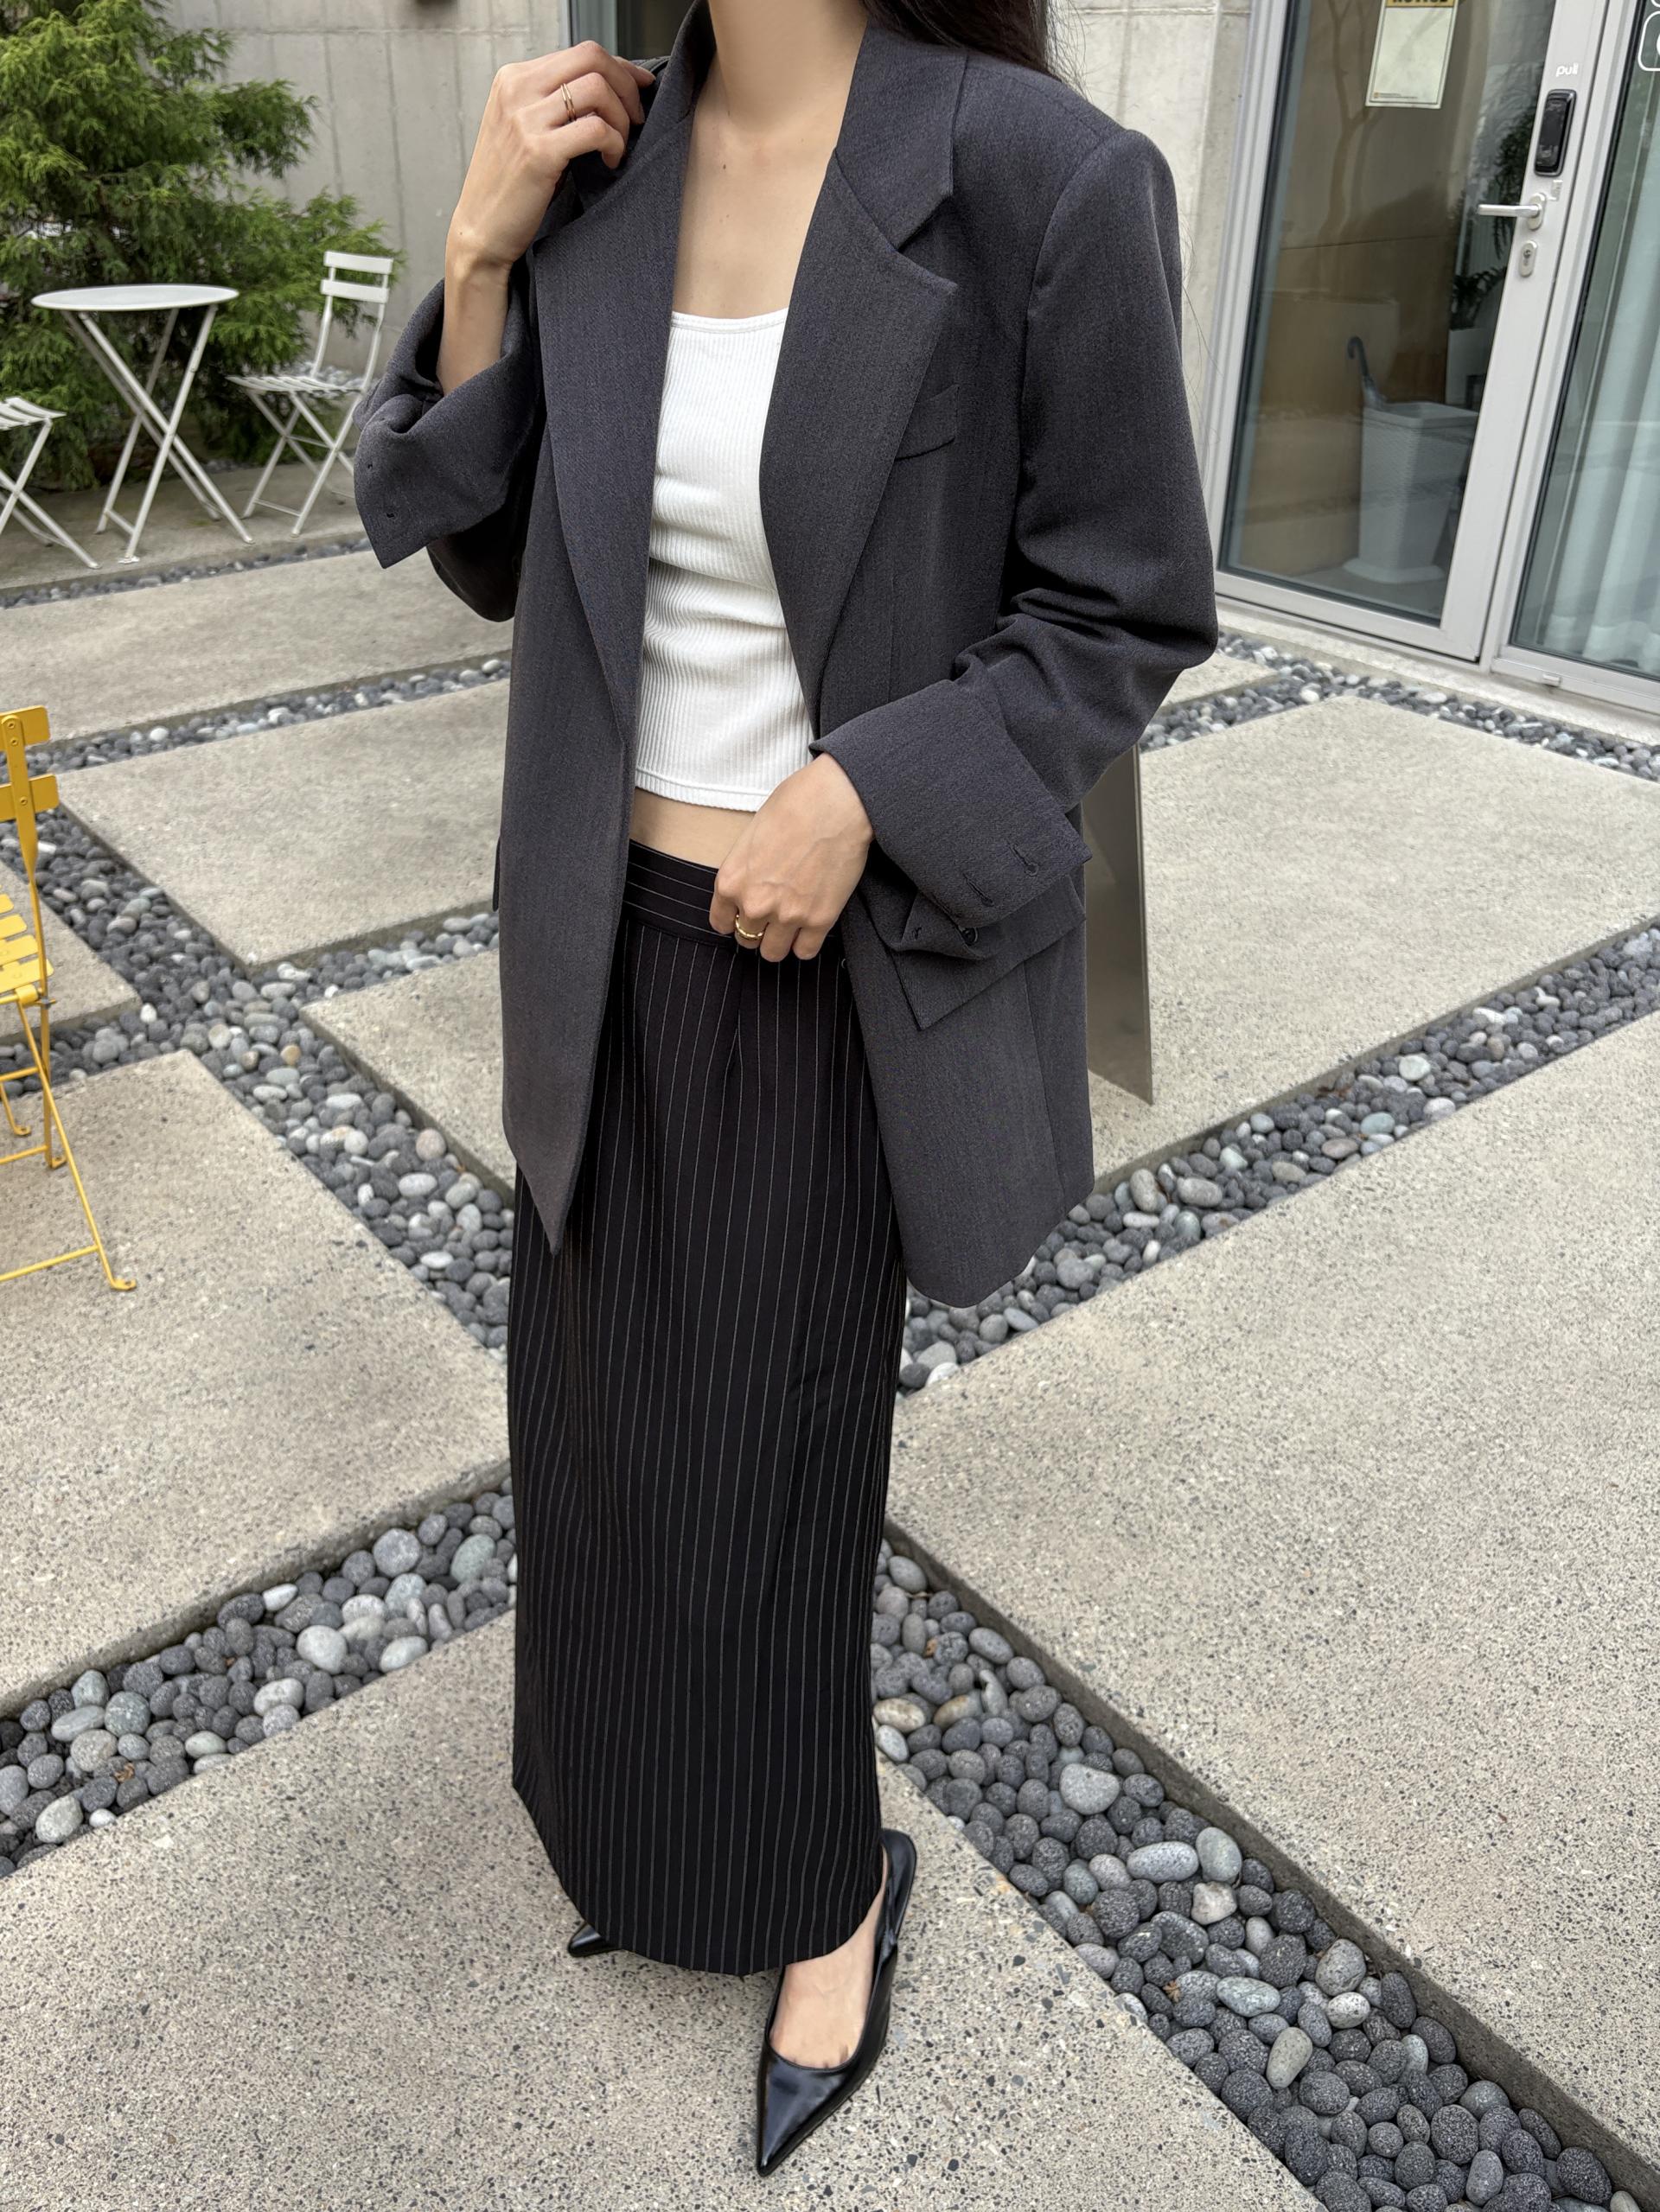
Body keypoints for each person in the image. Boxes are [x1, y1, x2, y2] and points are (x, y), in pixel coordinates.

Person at [352, 0, 1217, 2175]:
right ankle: (654, 1845)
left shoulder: (1038, 180)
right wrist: (477, 254)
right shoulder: (603, 163)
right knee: (595, 1451)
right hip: (594, 939)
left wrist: (866, 789)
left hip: (825, 967)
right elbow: (486, 552)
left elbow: (1124, 606)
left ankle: (828, 1892)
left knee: (762, 1483)